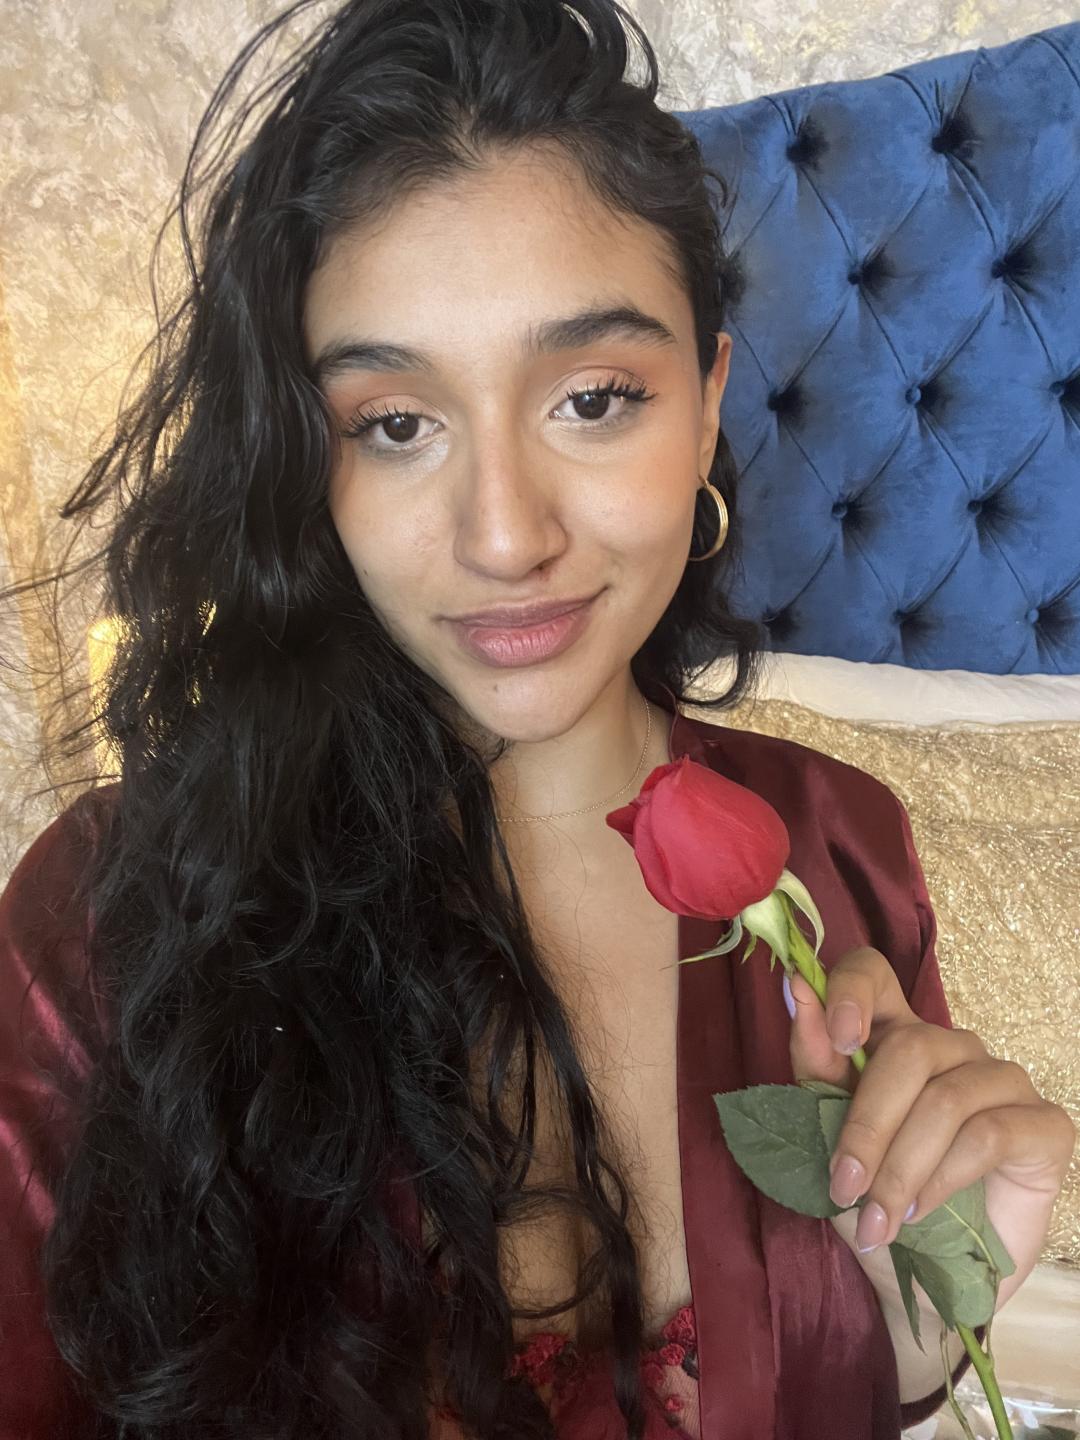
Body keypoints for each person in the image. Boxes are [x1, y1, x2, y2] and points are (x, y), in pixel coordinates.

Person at [0, 1, 1073, 1437]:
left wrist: (917, 1331)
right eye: (396, 423)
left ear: (707, 402)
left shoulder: (842, 847)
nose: (504, 536)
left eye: (594, 399)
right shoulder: (106, 913)